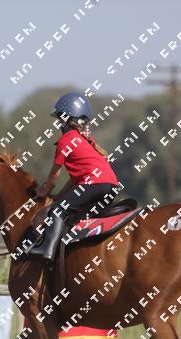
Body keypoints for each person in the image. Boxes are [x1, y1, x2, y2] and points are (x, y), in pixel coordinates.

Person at [26, 92, 120, 261]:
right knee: (70, 211)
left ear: (64, 120)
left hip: (94, 185)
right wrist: (59, 197)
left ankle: (47, 249)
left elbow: (54, 175)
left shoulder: (66, 140)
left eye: (59, 119)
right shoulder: (86, 140)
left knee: (57, 210)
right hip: (110, 186)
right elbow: (75, 179)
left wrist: (44, 191)